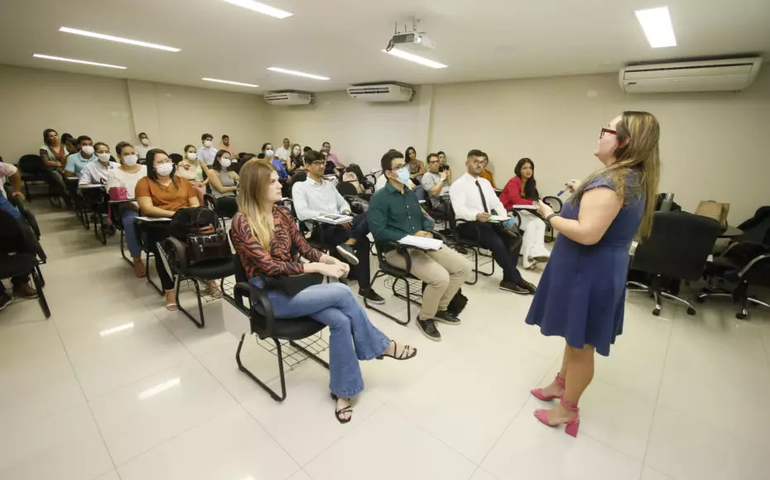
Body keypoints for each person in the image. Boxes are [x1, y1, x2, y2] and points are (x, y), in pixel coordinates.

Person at [231, 159, 416, 423]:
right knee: (342, 293)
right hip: (269, 297)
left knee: (341, 320)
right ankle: (382, 346)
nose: (279, 184)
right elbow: (270, 267)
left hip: (293, 288)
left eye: (276, 179)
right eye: (271, 181)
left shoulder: (282, 214)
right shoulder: (242, 222)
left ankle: (344, 391)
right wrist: (317, 268)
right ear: (255, 186)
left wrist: (330, 260)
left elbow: (304, 248)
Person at [526, 111, 660, 438]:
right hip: (594, 268)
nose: (600, 135)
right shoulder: (628, 177)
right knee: (575, 336)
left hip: (588, 271)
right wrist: (581, 191)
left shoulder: (615, 181)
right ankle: (561, 384)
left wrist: (549, 214)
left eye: (607, 130)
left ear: (624, 141)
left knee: (581, 344)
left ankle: (567, 410)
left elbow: (587, 233)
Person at [369, 149, 471, 342]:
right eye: (398, 167)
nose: (404, 169)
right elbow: (379, 232)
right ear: (388, 173)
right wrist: (409, 235)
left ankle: (440, 308)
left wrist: (425, 229)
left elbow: (422, 217)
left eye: (404, 166)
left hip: (422, 242)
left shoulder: (409, 193)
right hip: (397, 250)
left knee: (463, 267)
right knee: (440, 278)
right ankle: (425, 317)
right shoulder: (379, 198)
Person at [292, 150, 385, 304]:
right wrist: (333, 218)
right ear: (307, 166)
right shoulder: (300, 187)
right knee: (363, 241)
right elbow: (302, 213)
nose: (322, 166)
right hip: (322, 228)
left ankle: (350, 242)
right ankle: (365, 288)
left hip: (342, 223)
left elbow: (342, 203)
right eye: (317, 163)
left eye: (323, 162)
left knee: (372, 213)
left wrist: (345, 212)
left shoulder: (329, 184)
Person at [136, 149, 216, 310]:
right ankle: (169, 291)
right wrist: (175, 214)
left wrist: (188, 216)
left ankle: (208, 278)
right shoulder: (144, 183)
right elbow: (147, 208)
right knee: (162, 245)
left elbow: (194, 203)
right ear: (151, 165)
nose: (165, 164)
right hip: (160, 223)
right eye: (160, 162)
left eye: (167, 160)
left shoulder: (182, 181)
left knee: (205, 233)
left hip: (185, 221)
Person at [449, 149, 536, 295]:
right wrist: (476, 215)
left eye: (482, 162)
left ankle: (508, 280)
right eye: (475, 161)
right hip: (467, 224)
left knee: (515, 237)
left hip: (488, 221)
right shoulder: (458, 185)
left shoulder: (485, 183)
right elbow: (459, 210)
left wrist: (506, 219)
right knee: (497, 242)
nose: (479, 165)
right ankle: (516, 278)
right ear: (467, 163)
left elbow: (496, 203)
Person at [499, 158, 552, 269]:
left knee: (540, 223)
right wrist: (533, 203)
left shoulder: (530, 183)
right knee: (531, 225)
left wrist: (537, 205)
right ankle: (529, 258)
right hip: (506, 214)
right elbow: (516, 200)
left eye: (530, 168)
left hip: (519, 212)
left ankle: (536, 252)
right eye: (524, 168)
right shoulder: (513, 182)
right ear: (519, 170)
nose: (528, 171)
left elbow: (530, 201)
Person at [107, 142, 148, 277]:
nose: (130, 156)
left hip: (150, 203)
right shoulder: (114, 173)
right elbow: (119, 198)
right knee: (131, 222)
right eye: (126, 154)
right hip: (129, 206)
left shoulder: (146, 169)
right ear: (119, 156)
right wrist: (140, 207)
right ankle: (137, 258)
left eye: (132, 153)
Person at [38, 128, 71, 205]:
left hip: (66, 168)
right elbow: (46, 162)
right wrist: (59, 164)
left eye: (55, 135)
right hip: (52, 170)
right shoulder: (44, 148)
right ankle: (67, 198)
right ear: (47, 138)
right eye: (51, 136)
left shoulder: (66, 146)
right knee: (59, 179)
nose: (54, 137)